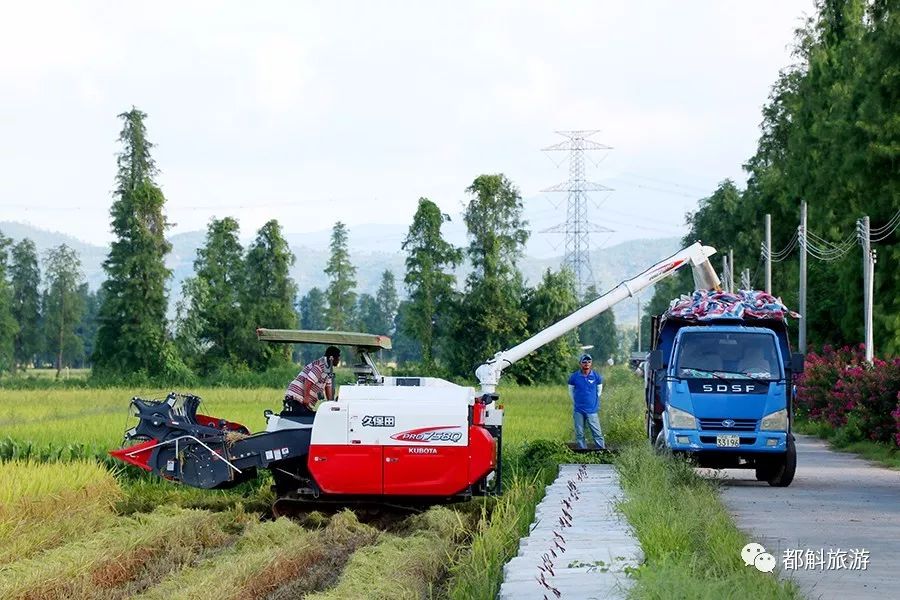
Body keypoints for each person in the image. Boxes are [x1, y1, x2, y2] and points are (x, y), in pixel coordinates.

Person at [284, 346, 341, 415]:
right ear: (331, 358)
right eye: (338, 357)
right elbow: (308, 382)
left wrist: (331, 403)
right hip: (297, 398)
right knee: (304, 420)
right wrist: (306, 398)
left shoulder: (328, 369)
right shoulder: (319, 366)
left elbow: (328, 387)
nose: (339, 360)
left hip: (302, 401)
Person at [567, 353, 605, 450]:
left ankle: (601, 450)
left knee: (597, 432)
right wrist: (577, 402)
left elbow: (599, 391)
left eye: (589, 361)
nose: (586, 363)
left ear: (591, 363)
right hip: (578, 410)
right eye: (584, 361)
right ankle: (582, 450)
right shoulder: (574, 377)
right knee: (580, 433)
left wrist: (591, 402)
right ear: (580, 363)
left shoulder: (596, 377)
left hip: (592, 410)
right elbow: (571, 392)